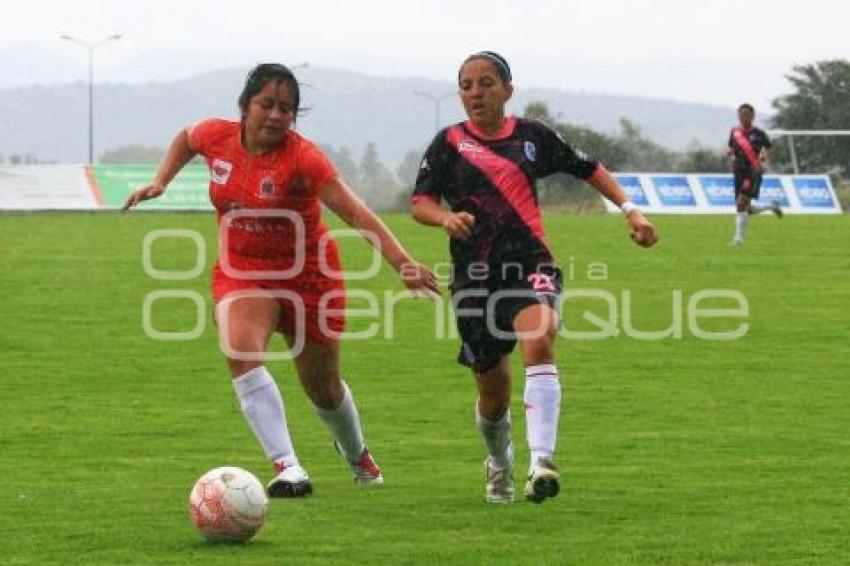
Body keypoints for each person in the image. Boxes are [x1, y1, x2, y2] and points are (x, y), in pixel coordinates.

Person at [124, 63, 438, 497]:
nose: (275, 115)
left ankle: (357, 453)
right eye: (266, 104)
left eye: (285, 109)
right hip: (244, 272)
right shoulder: (216, 135)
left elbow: (355, 212)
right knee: (239, 348)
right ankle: (288, 467)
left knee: (324, 389)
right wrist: (161, 180)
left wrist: (402, 263)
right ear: (245, 106)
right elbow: (186, 138)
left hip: (310, 277)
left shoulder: (304, 158)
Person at [411, 51, 658, 504]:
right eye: (467, 85)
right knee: (493, 395)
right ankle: (499, 463)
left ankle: (542, 460)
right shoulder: (447, 143)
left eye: (486, 83)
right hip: (474, 278)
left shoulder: (532, 137)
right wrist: (444, 219)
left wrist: (630, 210)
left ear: (508, 89)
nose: (475, 92)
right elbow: (419, 203)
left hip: (530, 264)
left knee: (540, 335)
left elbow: (589, 167)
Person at [728, 103, 782, 246]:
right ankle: (771, 206)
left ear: (752, 116)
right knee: (746, 208)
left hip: (752, 171)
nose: (743, 117)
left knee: (741, 204)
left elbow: (769, 148)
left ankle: (738, 239)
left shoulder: (759, 134)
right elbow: (732, 149)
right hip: (738, 173)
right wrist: (731, 153)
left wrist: (764, 154)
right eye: (741, 114)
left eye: (746, 114)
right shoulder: (734, 132)